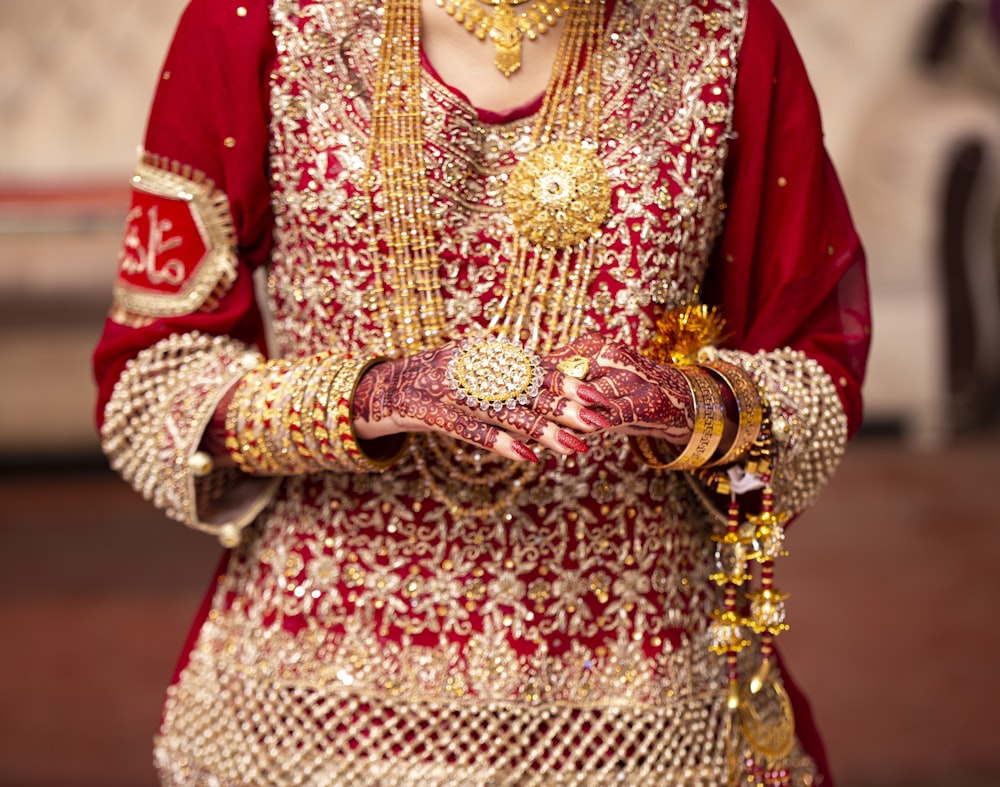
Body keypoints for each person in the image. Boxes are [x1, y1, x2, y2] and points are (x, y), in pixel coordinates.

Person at [93, 0, 870, 783]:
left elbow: (816, 374)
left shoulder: (721, 30)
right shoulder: (257, 20)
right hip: (315, 707)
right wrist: (377, 396)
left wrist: (680, 404)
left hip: (644, 705)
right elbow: (151, 380)